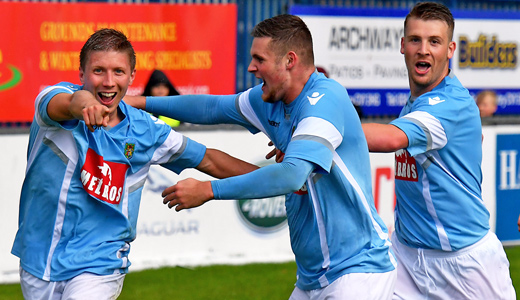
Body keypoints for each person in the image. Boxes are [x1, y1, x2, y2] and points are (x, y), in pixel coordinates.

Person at [126, 14, 397, 299]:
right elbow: (211, 108)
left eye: (260, 59)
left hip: (357, 272)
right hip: (313, 277)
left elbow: (291, 174)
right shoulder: (270, 100)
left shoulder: (324, 100)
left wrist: (208, 190)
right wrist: (139, 103)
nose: (251, 67)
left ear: (289, 60)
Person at [11, 28, 257, 299]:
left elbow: (209, 159)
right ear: (81, 74)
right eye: (98, 71)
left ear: (131, 76)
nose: (108, 81)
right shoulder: (54, 101)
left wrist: (279, 177)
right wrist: (83, 105)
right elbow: (71, 101)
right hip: (38, 256)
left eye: (118, 71)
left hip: (100, 262)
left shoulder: (146, 130)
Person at [361, 2, 515, 299]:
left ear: (450, 49)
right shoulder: (416, 102)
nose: (424, 49)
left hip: (466, 263)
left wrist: (318, 134)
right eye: (416, 39)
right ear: (402, 45)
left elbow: (391, 139)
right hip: (406, 256)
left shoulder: (450, 104)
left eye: (435, 41)